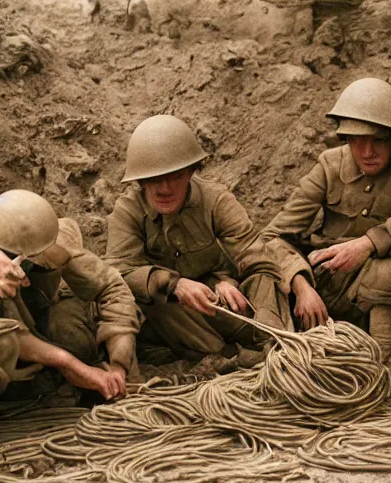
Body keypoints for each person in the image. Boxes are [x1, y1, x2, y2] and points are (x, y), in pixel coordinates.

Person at [0, 190, 138, 467]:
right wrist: (68, 363)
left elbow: (111, 288)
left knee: (71, 327)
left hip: (31, 330)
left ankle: (49, 386)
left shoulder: (46, 237)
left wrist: (119, 363)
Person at [262, 78, 391, 362]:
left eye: (378, 140)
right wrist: (301, 285)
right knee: (264, 278)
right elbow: (274, 236)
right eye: (357, 141)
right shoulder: (328, 165)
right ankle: (282, 357)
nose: (367, 152)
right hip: (325, 286)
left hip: (384, 294)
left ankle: (381, 363)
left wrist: (367, 244)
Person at [105, 115, 290, 369]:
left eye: (175, 176)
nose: (164, 188)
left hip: (222, 303)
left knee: (267, 281)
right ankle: (225, 357)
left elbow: (259, 262)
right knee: (152, 302)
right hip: (175, 316)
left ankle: (273, 345)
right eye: (154, 179)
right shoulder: (128, 211)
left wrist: (228, 283)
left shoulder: (215, 201)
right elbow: (116, 273)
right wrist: (172, 284)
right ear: (140, 181)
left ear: (191, 173)